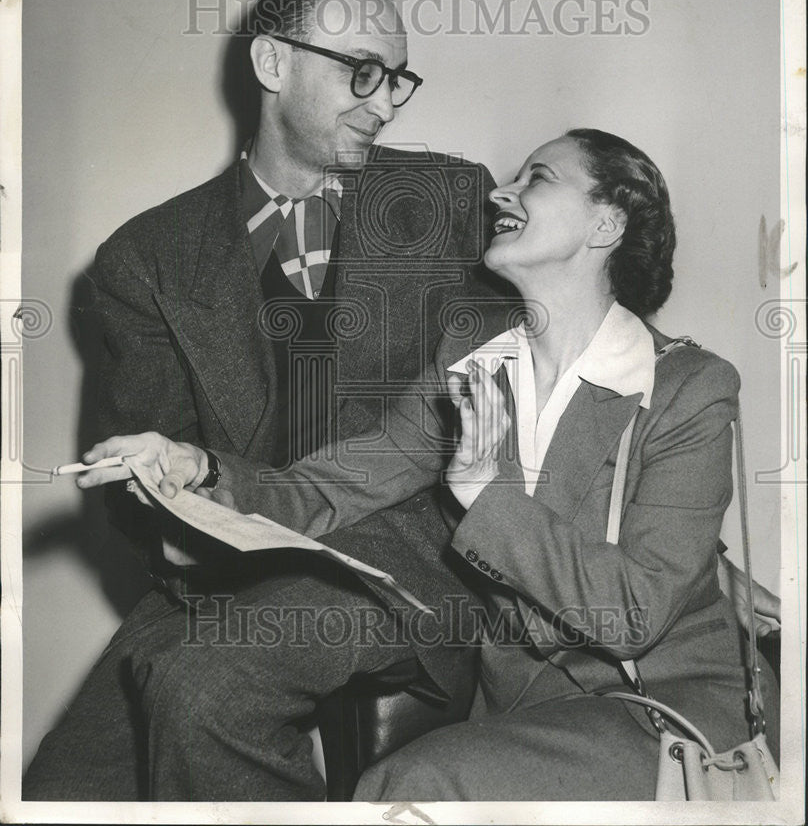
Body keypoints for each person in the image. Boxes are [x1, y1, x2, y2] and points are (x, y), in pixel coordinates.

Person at [83, 129, 779, 801]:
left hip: (659, 714)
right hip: (521, 712)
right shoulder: (472, 360)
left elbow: (632, 615)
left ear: (607, 223)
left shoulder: (690, 386)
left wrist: (485, 496)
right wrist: (200, 469)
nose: (502, 194)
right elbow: (336, 482)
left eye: (537, 178)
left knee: (405, 789)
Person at [22, 0, 509, 801]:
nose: (385, 102)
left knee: (205, 695)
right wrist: (160, 506)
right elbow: (145, 479)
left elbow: (554, 353)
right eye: (361, 71)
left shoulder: (451, 199)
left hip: (407, 566)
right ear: (272, 64)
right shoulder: (145, 259)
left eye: (398, 79)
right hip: (225, 572)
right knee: (64, 785)